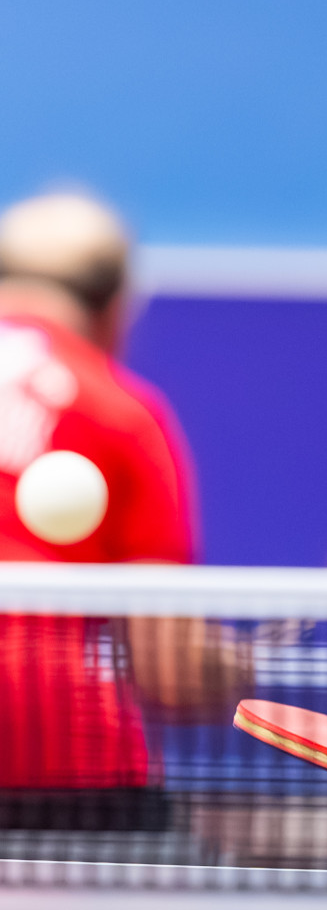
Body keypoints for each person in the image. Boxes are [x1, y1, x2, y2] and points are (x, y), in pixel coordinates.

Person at [0, 192, 225, 824]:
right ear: (116, 308)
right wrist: (232, 664)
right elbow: (170, 671)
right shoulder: (121, 410)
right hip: (57, 759)